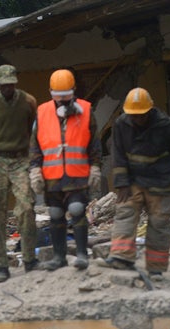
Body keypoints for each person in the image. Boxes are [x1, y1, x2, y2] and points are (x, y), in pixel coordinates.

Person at [98, 87, 170, 279]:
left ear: (150, 110)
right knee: (125, 213)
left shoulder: (167, 127)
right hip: (134, 180)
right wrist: (121, 183)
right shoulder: (122, 124)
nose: (137, 119)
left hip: (161, 182)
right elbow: (118, 154)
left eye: (141, 115)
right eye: (133, 115)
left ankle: (155, 267)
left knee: (158, 224)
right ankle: (122, 257)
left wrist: (162, 166)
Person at [29, 69, 102, 271]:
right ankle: (59, 257)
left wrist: (95, 167)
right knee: (55, 214)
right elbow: (35, 145)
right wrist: (35, 170)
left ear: (74, 91)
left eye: (66, 97)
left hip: (77, 174)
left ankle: (81, 254)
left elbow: (94, 144)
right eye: (58, 98)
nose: (62, 102)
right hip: (52, 176)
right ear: (51, 92)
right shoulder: (42, 112)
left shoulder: (85, 111)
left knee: (77, 210)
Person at [0, 65, 39, 283]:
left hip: (20, 158)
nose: (8, 88)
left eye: (11, 84)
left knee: (26, 207)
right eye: (4, 85)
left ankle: (30, 257)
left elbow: (32, 126)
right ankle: (0, 265)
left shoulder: (28, 101)